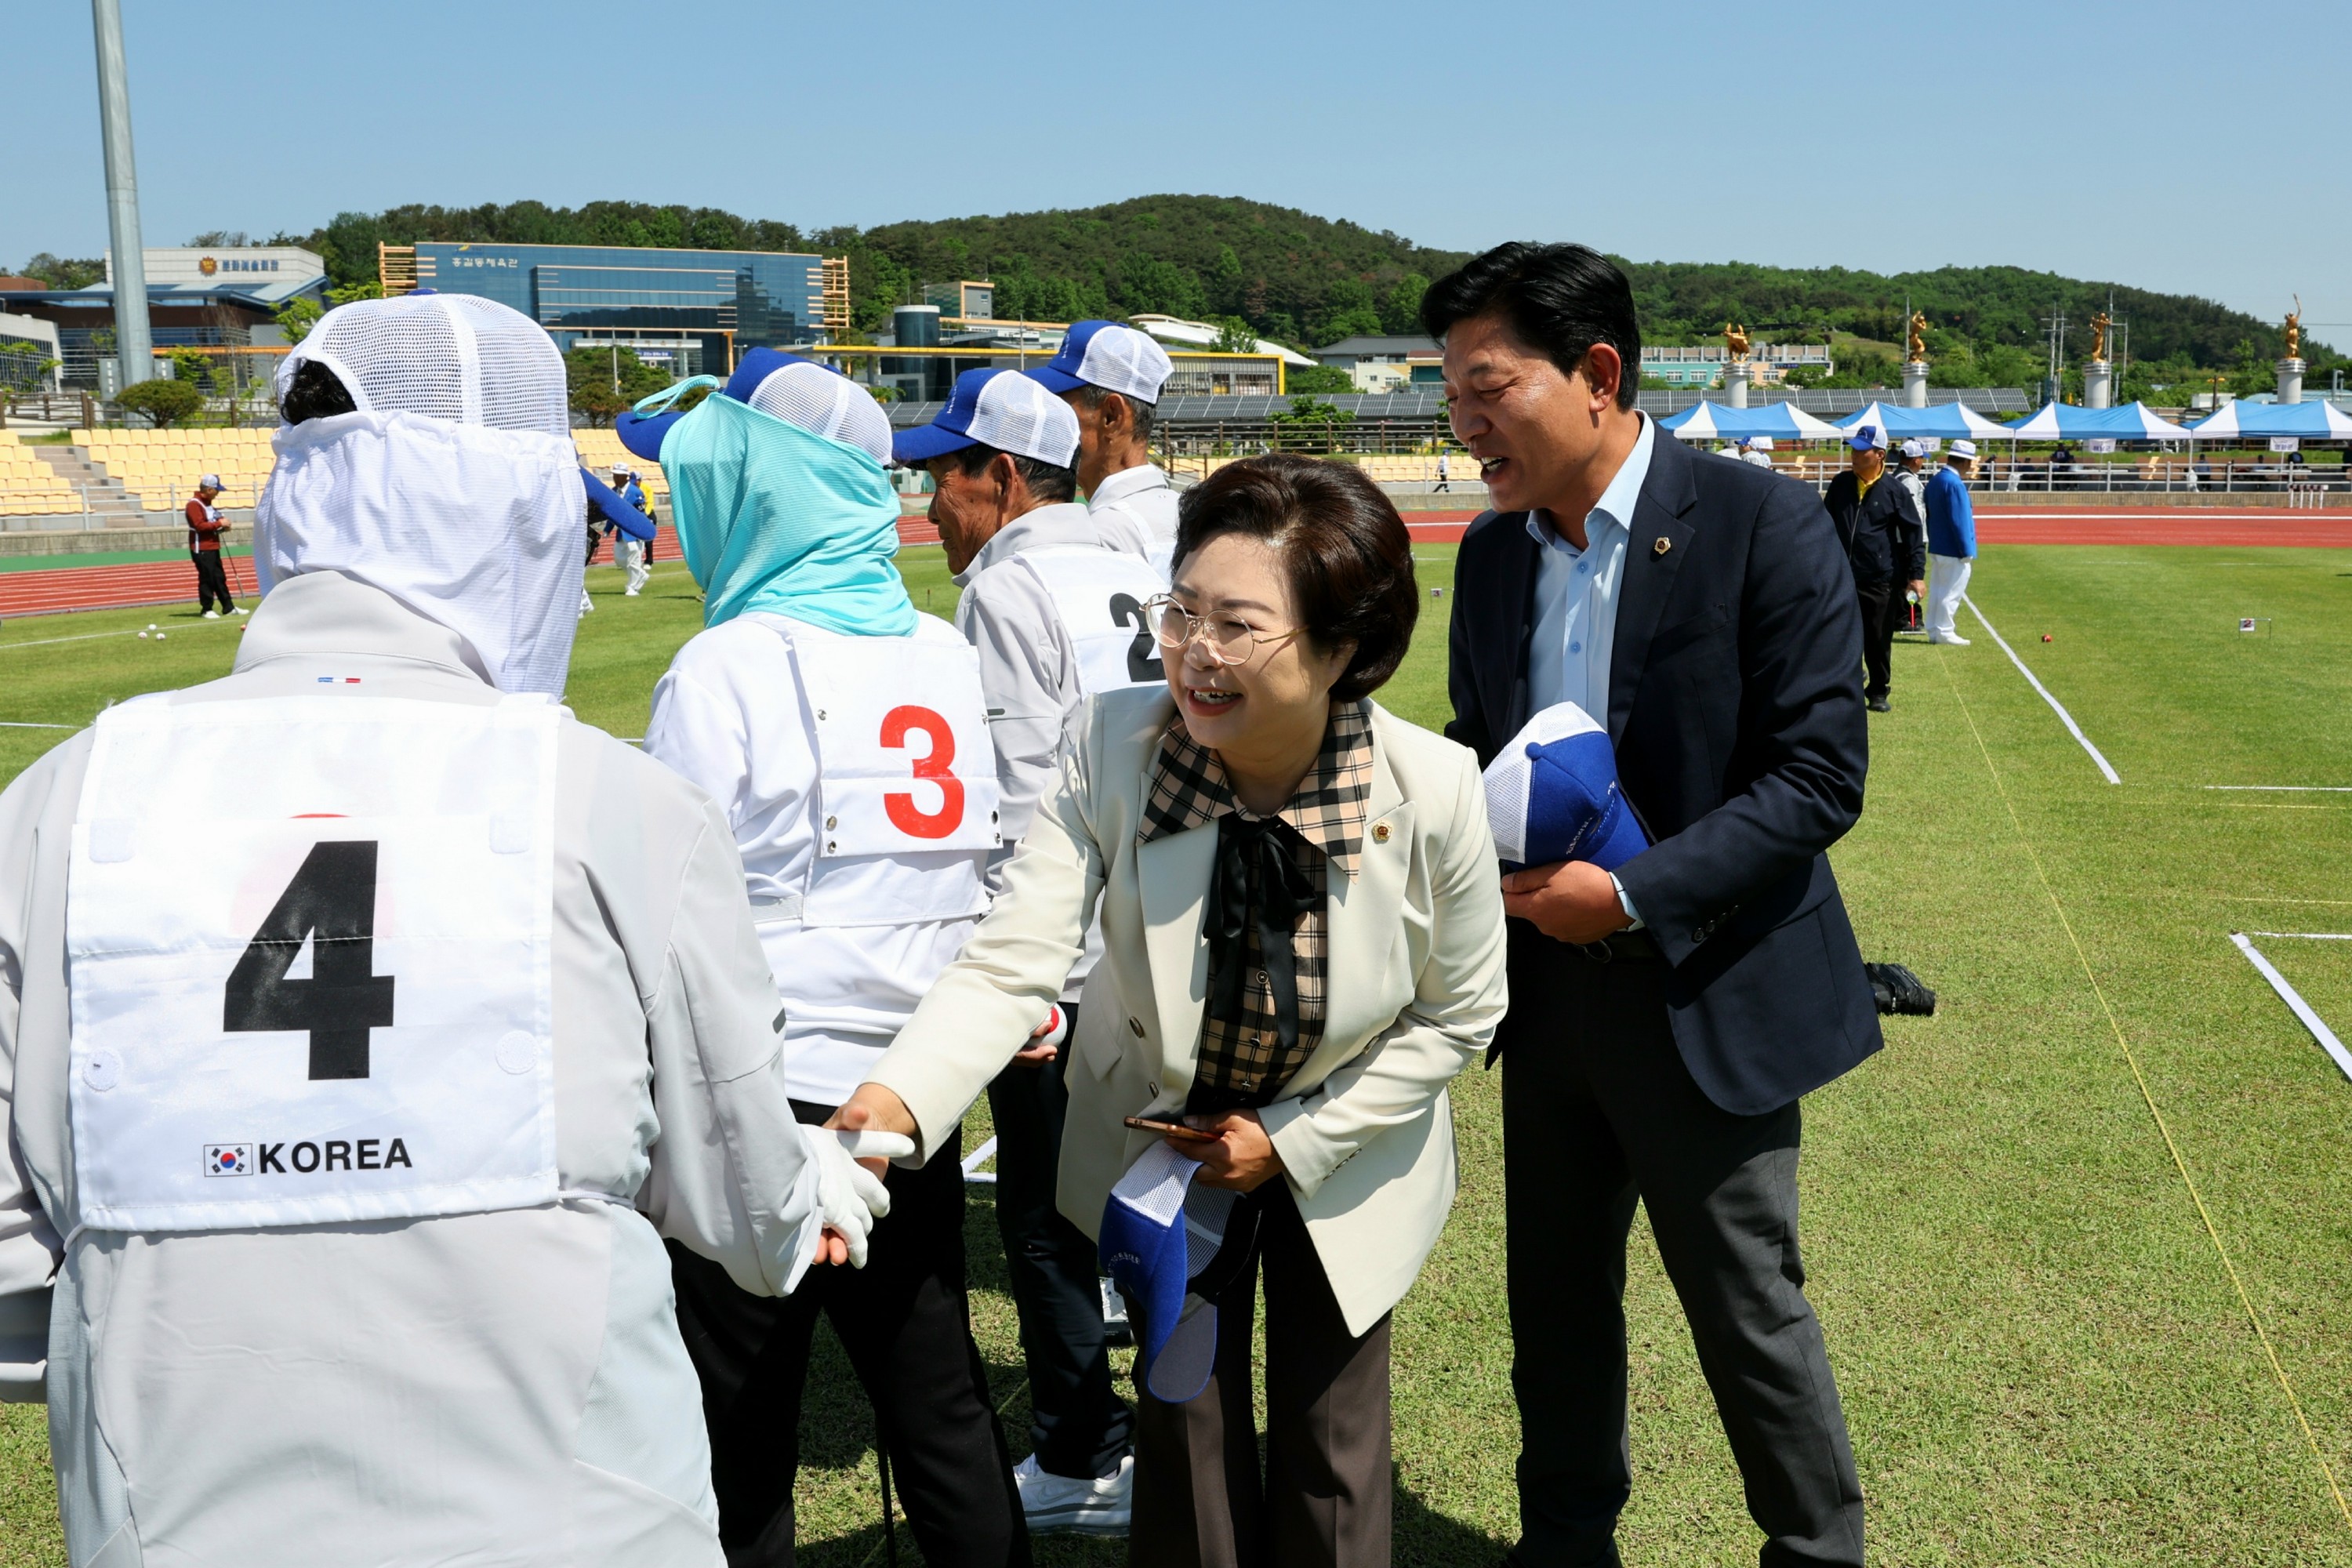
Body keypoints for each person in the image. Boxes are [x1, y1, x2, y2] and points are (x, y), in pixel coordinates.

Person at [0, 292, 891, 1568]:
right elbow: (747, 1215)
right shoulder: (615, 802)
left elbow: (11, 1265)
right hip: (579, 1520)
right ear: (521, 518)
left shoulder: (61, 801)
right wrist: (816, 1182)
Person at [830, 455, 1510, 1567]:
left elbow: (1460, 1015)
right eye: (1182, 610)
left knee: (1333, 1447)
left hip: (1344, 1145)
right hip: (1161, 1141)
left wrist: (1290, 1142)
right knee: (1183, 1423)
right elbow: (1013, 960)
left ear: (1344, 647)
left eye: (1238, 625)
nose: (1193, 651)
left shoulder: (1432, 788)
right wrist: (893, 1103)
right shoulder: (1112, 746)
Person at [1427, 241, 1878, 1568]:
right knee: (1554, 1308)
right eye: (1449, 392)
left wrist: (1625, 891)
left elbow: (1816, 778)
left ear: (1599, 375)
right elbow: (1479, 738)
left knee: (1747, 1308)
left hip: (1707, 990)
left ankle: (1815, 1550)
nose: (1463, 421)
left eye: (1486, 387)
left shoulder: (1761, 521)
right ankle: (1565, 1546)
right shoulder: (1497, 555)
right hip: (1550, 1000)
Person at [609, 349, 1033, 1567]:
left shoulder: (726, 666)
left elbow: (671, 912)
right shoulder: (943, 648)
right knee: (937, 1398)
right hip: (915, 1084)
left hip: (768, 1089)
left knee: (741, 1416)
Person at [894, 368, 1168, 1533]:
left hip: (1076, 955)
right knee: (1149, 1205)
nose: (927, 510)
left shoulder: (1009, 593)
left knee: (1050, 1228)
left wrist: (1033, 996)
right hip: (1163, 933)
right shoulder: (1125, 562)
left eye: (940, 479)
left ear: (1003, 477)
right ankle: (1166, 1432)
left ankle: (1085, 1452)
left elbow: (1019, 804)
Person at [1026, 320, 1180, 573]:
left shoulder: (1097, 537)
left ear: (1112, 416)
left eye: (1061, 408)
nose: (1049, 420)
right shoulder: (1187, 512)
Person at [1824, 423, 1926, 713]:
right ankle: (1848, 682)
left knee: (1878, 638)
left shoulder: (1895, 491)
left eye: (1861, 450)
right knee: (1840, 634)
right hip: (1841, 576)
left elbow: (1912, 535)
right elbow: (1824, 524)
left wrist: (1916, 576)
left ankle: (1879, 689)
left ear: (1880, 454)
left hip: (1880, 579)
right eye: (1853, 449)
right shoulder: (1841, 484)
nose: (1854, 455)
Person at [1924, 439, 1980, 645]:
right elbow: (1960, 519)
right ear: (1965, 462)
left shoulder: (1936, 480)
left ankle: (1934, 628)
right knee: (1952, 590)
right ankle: (1945, 630)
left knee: (1938, 589)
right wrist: (1966, 548)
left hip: (1938, 544)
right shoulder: (1955, 484)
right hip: (1953, 547)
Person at [184, 474, 245, 618]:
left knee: (219, 577)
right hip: (202, 548)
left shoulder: (207, 504)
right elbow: (199, 526)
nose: (218, 493)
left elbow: (213, 520)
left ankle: (228, 607)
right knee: (207, 578)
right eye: (217, 490)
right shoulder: (194, 504)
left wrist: (223, 525)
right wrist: (219, 524)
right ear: (210, 489)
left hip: (213, 546)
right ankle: (207, 609)